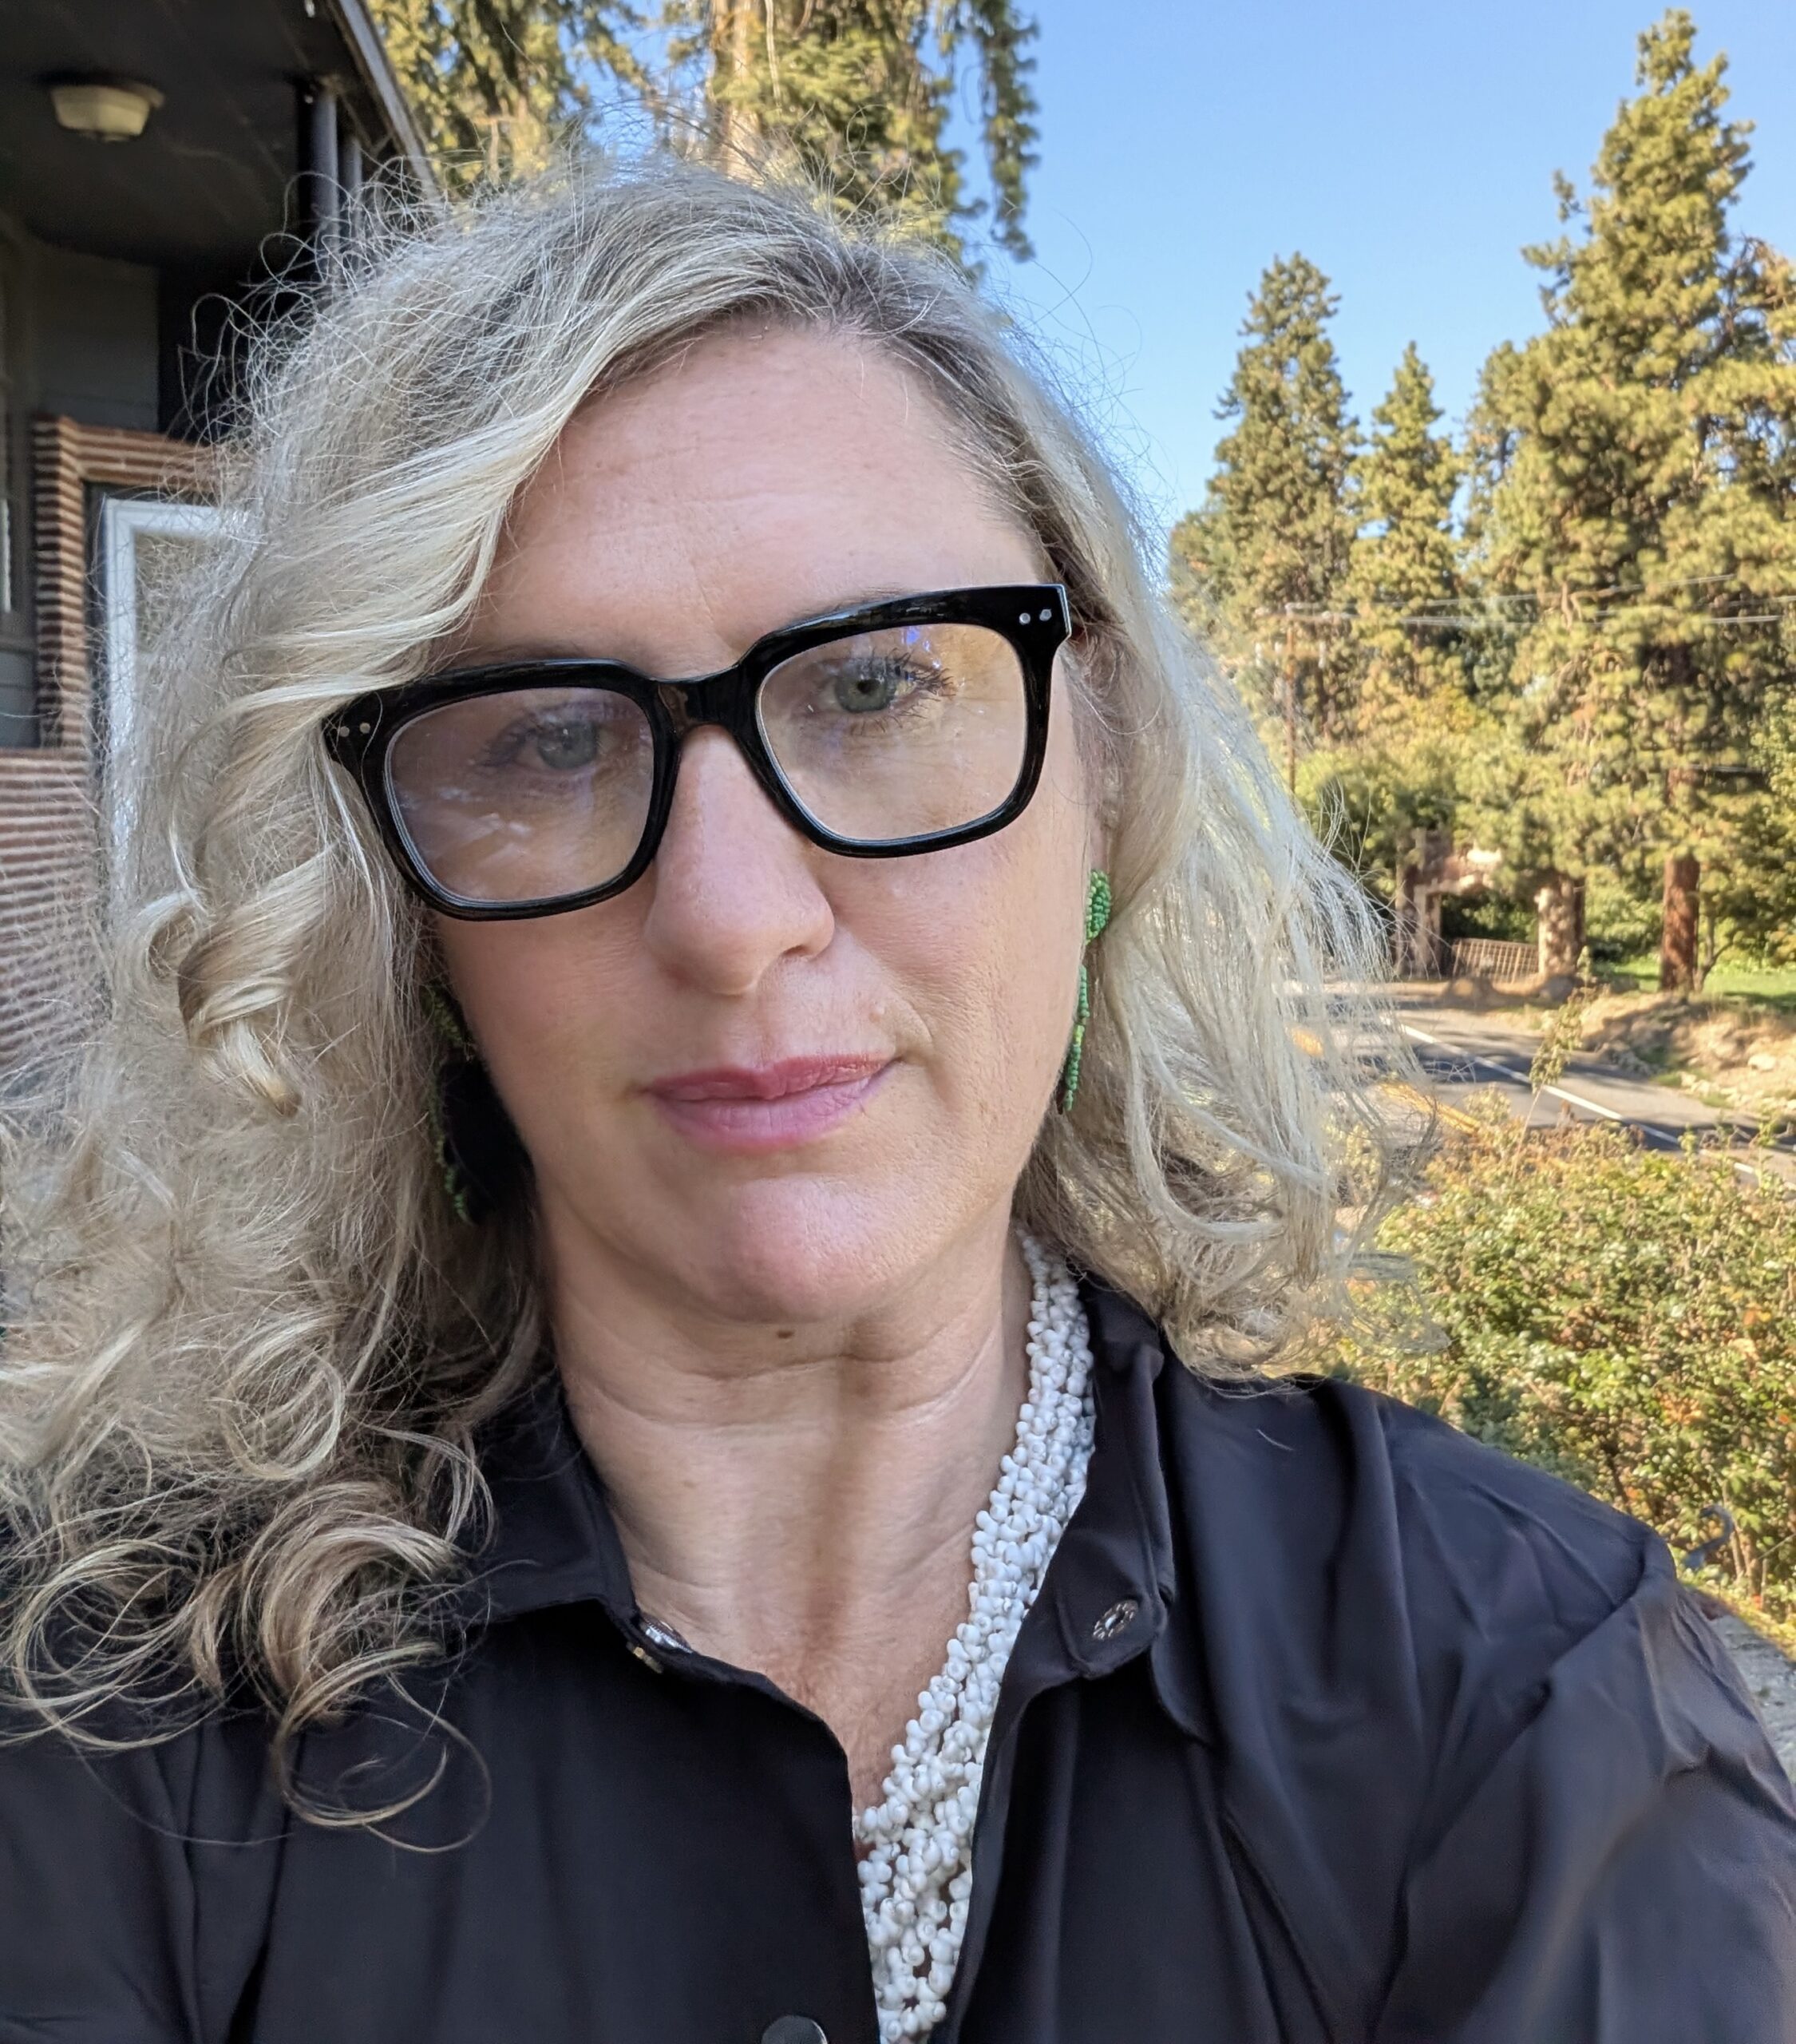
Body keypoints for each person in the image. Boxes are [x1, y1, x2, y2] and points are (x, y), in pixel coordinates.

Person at [0, 160, 1790, 2044]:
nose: (730, 915)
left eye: (870, 688)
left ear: (1104, 771)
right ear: (403, 914)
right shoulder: (110, 1716)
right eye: (546, 736)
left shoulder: (1524, 1703)